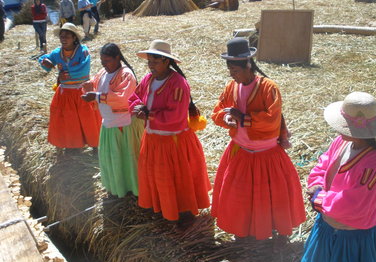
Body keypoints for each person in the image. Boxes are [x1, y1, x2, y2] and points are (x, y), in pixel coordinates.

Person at [211, 37, 306, 241]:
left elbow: (272, 120)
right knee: (241, 197)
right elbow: (219, 110)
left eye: (235, 71)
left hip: (266, 155)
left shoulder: (268, 88)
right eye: (230, 71)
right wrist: (228, 118)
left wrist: (243, 119)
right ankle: (243, 229)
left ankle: (268, 230)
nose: (232, 75)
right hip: (240, 152)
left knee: (269, 198)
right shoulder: (231, 87)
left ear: (247, 65)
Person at [299, 92, 376, 262]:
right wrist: (317, 183)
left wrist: (320, 198)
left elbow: (355, 204)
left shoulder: (375, 163)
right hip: (327, 224)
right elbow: (323, 164)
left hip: (354, 237)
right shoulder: (341, 143)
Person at [128, 40, 211, 228]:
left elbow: (176, 115)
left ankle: (183, 215)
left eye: (155, 61)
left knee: (178, 179)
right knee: (157, 177)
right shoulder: (147, 79)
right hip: (152, 138)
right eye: (149, 61)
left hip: (173, 142)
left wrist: (149, 114)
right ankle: (163, 209)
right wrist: (137, 108)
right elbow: (134, 97)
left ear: (166, 61)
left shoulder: (178, 83)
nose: (150, 65)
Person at [81, 43, 144, 197]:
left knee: (128, 159)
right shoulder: (103, 72)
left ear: (117, 58)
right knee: (114, 160)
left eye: (108, 61)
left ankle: (134, 189)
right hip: (109, 124)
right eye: (102, 62)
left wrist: (96, 96)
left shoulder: (126, 74)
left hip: (124, 126)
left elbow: (123, 99)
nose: (105, 65)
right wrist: (89, 88)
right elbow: (96, 86)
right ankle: (119, 187)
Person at [38, 23, 101, 148]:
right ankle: (72, 144)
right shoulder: (57, 52)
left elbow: (84, 67)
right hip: (66, 93)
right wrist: (47, 62)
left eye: (67, 36)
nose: (63, 39)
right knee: (69, 120)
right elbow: (44, 59)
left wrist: (65, 73)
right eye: (62, 36)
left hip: (82, 91)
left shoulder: (83, 51)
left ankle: (94, 143)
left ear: (74, 38)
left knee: (87, 118)